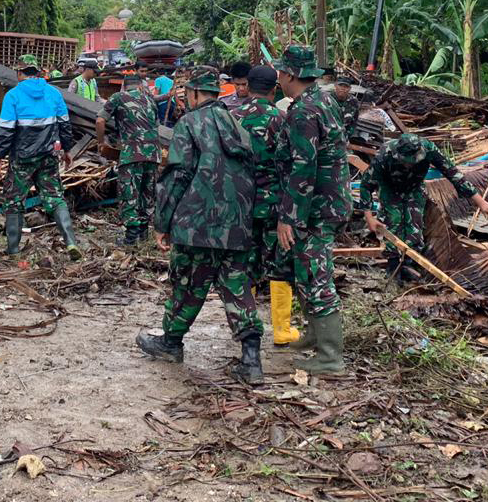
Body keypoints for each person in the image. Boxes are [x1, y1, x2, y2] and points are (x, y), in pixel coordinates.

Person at [135, 69, 263, 382]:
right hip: (237, 222)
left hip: (197, 223)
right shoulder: (237, 125)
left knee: (188, 284)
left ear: (193, 93)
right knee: (236, 285)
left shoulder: (189, 123)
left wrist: (162, 222)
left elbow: (178, 175)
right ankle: (251, 360)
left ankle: (171, 342)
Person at [275, 45, 350, 374]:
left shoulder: (305, 110)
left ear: (290, 75)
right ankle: (314, 337)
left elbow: (303, 168)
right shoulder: (323, 99)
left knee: (316, 275)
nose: (277, 77)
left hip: (315, 206)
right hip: (328, 200)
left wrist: (288, 217)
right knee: (305, 271)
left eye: (281, 71)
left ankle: (330, 356)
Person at [359, 133, 488, 282]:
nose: (410, 165)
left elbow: (453, 174)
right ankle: (393, 267)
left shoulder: (428, 149)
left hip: (414, 188)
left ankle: (410, 265)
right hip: (390, 188)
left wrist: (481, 202)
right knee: (393, 222)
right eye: (406, 162)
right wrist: (369, 217)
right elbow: (366, 185)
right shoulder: (385, 154)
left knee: (414, 226)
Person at [233, 66, 301, 346]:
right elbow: (292, 164)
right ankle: (282, 331)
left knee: (244, 264)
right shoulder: (282, 119)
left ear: (247, 86)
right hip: (275, 207)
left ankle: (245, 328)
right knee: (280, 266)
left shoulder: (231, 118)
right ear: (274, 88)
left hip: (242, 205)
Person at [0, 54, 79, 259]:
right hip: (48, 157)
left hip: (22, 159)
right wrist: (67, 150)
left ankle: (13, 249)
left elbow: (6, 132)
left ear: (19, 73)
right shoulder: (54, 93)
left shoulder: (13, 96)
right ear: (38, 72)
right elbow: (65, 125)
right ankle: (71, 242)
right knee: (56, 198)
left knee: (14, 202)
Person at [96, 74, 160, 245]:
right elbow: (155, 125)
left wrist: (101, 142)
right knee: (148, 193)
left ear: (124, 86)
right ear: (140, 86)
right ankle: (144, 233)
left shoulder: (118, 97)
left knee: (129, 192)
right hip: (153, 153)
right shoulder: (150, 99)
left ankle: (131, 237)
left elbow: (100, 120)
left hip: (132, 153)